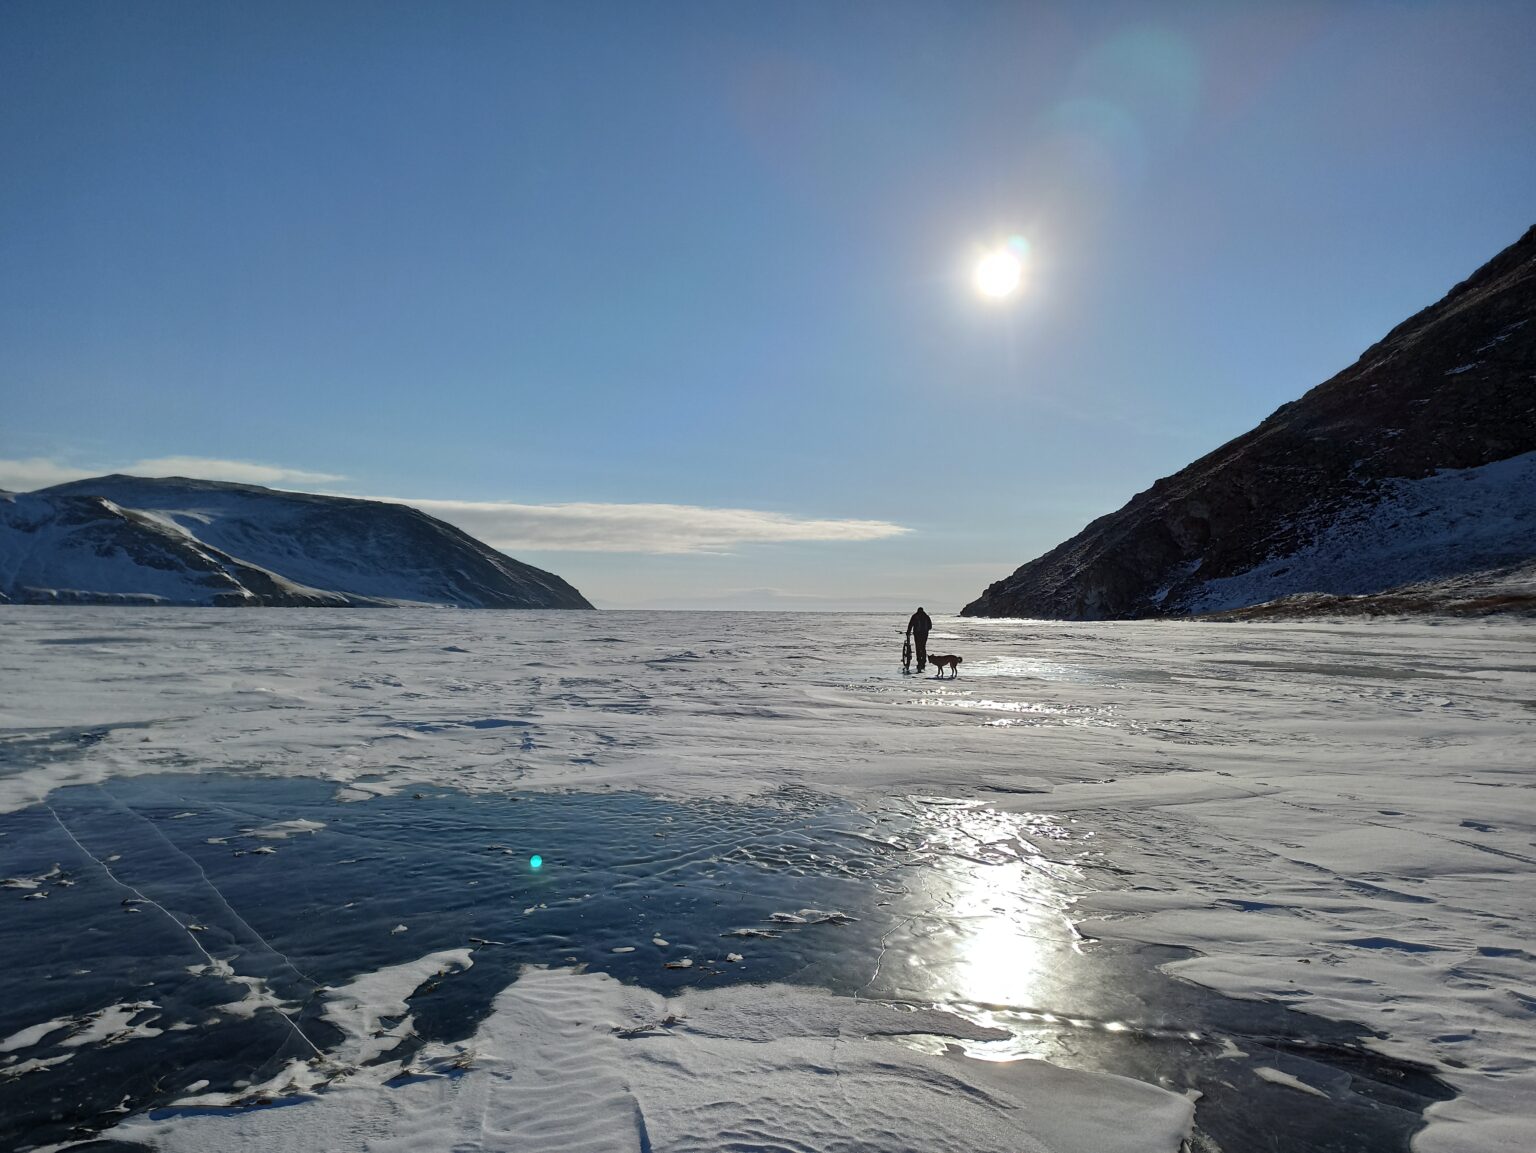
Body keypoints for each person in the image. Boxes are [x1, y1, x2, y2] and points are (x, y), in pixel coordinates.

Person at [906, 606, 932, 672]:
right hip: (924, 634)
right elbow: (930, 626)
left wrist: (908, 632)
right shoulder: (926, 616)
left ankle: (919, 661)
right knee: (923, 647)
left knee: (918, 647)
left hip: (917, 634)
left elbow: (910, 624)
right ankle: (923, 661)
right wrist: (926, 630)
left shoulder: (915, 616)